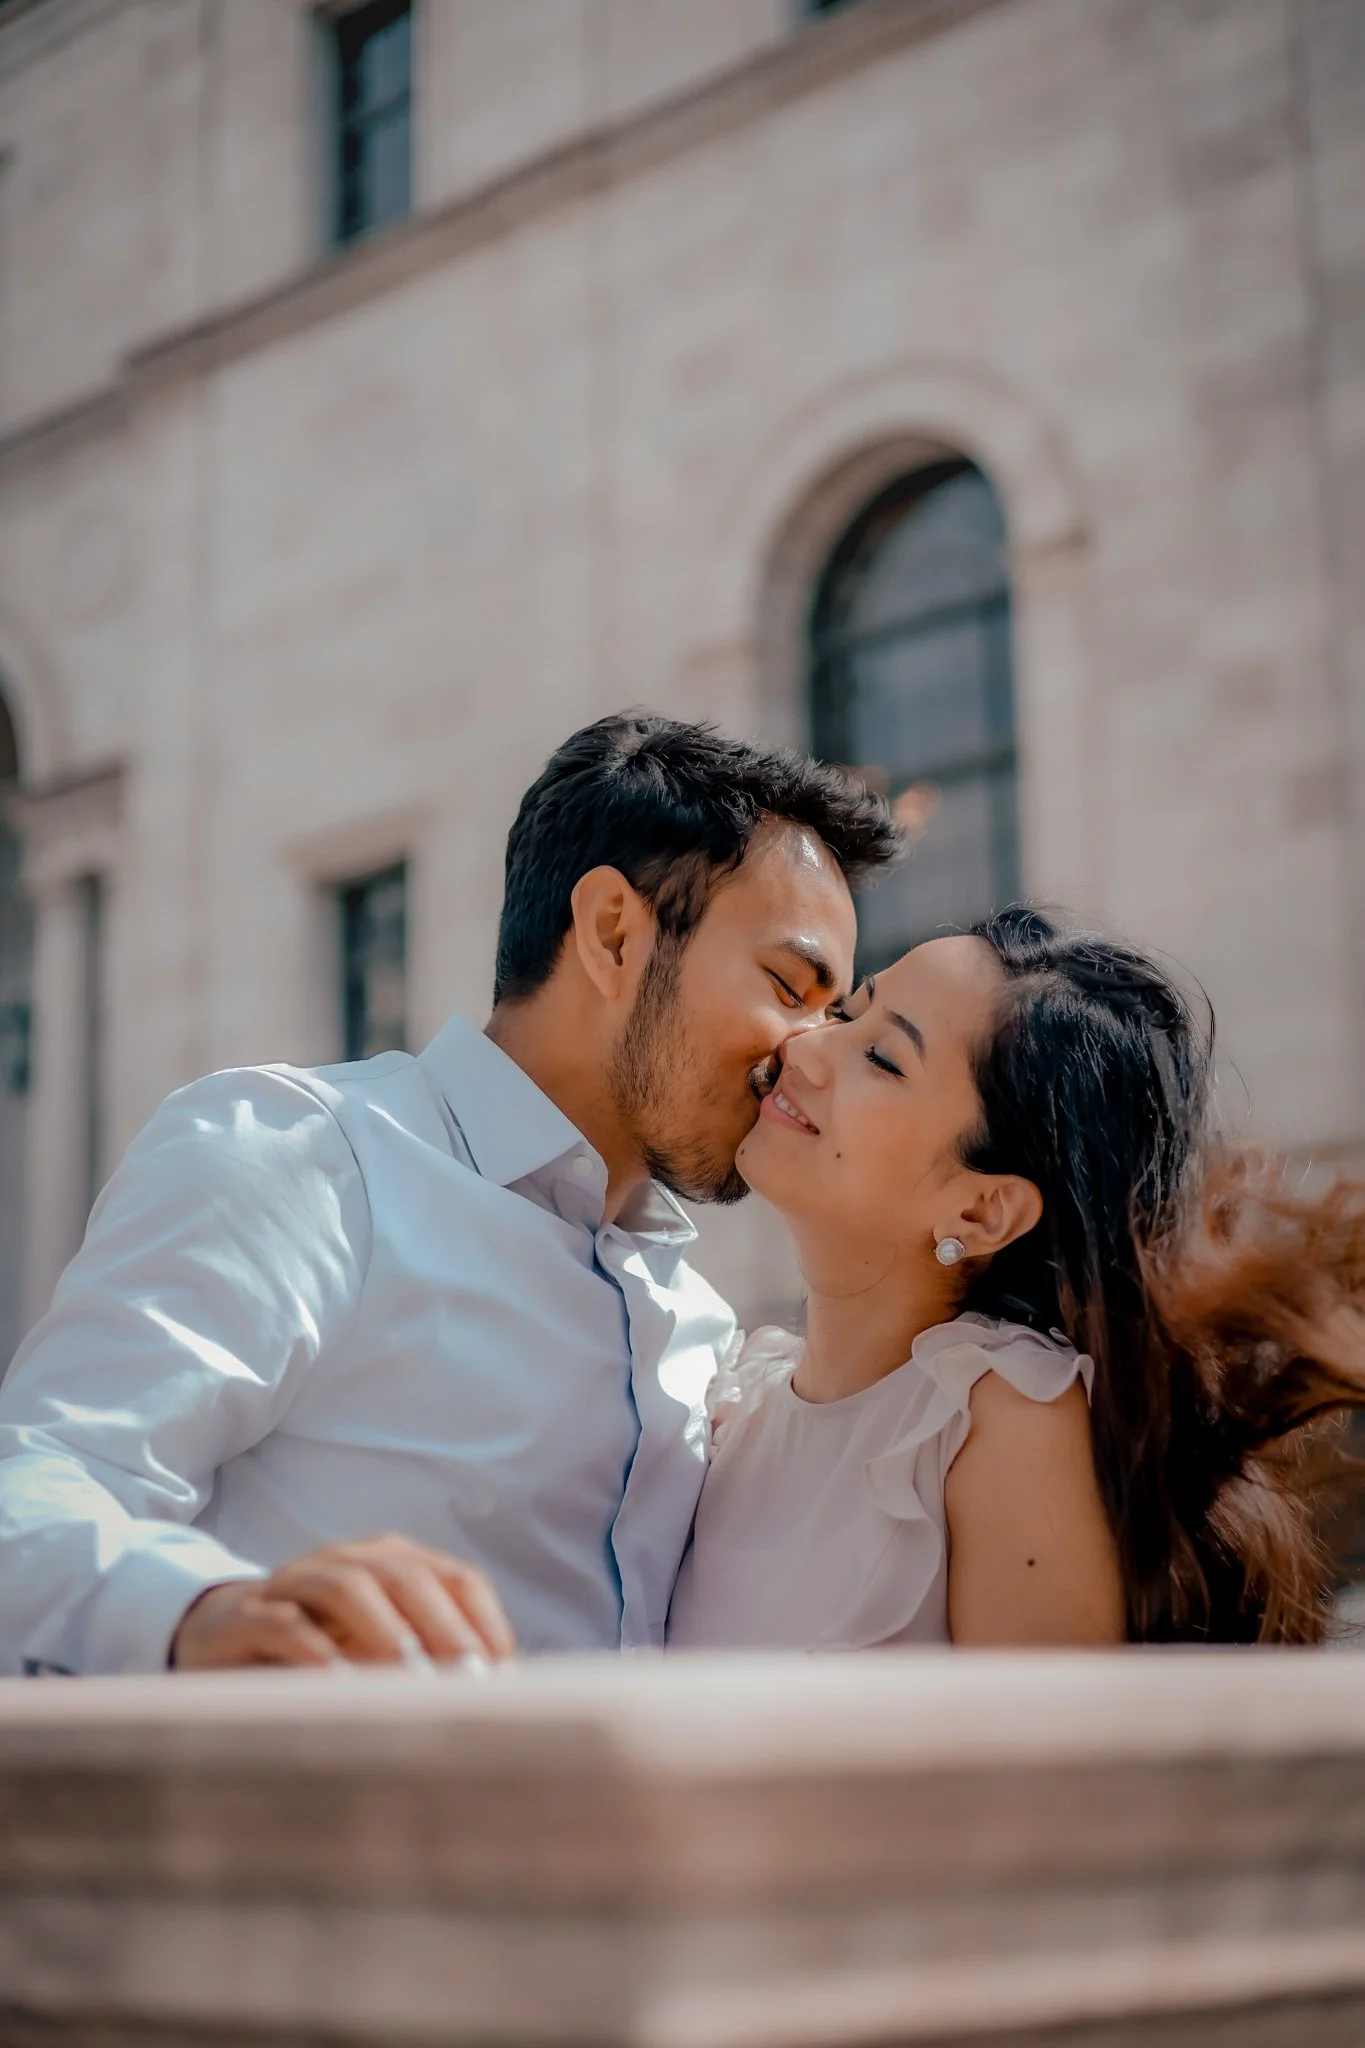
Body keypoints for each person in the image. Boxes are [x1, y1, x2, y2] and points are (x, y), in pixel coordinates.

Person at [0, 714, 900, 1675]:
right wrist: (200, 1609)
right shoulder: (300, 1156)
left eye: (834, 1013)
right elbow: (39, 1487)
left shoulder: (699, 1326)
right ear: (613, 935)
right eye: (790, 988)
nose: (808, 1053)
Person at [668, 908, 1365, 1651]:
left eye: (883, 1059)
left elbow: (1052, 1761)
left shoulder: (998, 1416)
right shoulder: (731, 1402)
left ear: (980, 1210)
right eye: (847, 1010)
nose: (807, 1045)